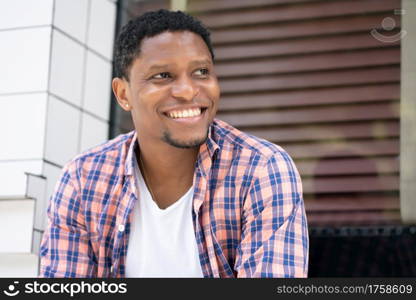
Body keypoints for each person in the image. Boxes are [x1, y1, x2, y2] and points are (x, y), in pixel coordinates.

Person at [39, 9, 309, 278]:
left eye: (201, 71)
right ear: (123, 94)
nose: (188, 91)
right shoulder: (83, 179)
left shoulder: (261, 169)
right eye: (163, 76)